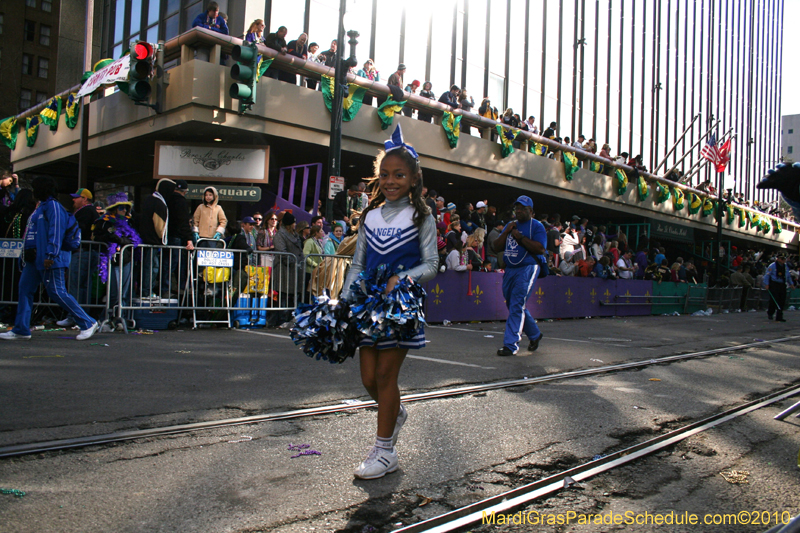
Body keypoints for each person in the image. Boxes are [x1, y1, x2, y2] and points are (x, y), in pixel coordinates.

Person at [339, 125, 438, 480]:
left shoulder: (422, 217)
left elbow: (432, 264)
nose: (391, 180)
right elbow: (359, 263)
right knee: (368, 377)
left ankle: (385, 451)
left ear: (413, 178)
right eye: (385, 175)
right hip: (369, 305)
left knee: (385, 374)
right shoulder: (370, 216)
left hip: (400, 305)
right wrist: (345, 297)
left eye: (399, 174)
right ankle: (393, 413)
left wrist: (403, 278)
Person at [0, 177, 98, 341]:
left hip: (48, 258)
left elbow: (56, 231)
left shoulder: (52, 206)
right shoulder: (43, 207)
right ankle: (21, 328)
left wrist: (51, 254)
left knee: (57, 292)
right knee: (25, 289)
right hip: (36, 258)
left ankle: (87, 322)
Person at [492, 195, 547, 356]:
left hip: (527, 267)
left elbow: (540, 249)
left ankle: (511, 345)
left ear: (531, 211)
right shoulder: (511, 225)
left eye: (522, 208)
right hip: (510, 269)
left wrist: (520, 237)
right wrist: (507, 231)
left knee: (516, 304)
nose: (519, 211)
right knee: (513, 304)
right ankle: (535, 334)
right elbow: (496, 247)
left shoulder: (537, 226)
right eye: (517, 208)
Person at [93, 192, 140, 322]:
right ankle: (105, 319)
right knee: (114, 293)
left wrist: (126, 241)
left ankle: (120, 319)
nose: (124, 210)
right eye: (121, 208)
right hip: (112, 260)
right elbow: (98, 236)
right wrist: (115, 238)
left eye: (126, 207)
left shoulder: (130, 222)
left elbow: (134, 238)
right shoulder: (104, 222)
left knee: (124, 293)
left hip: (126, 259)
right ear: (114, 209)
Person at [139, 178, 176, 297]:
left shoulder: (149, 199)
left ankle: (146, 290)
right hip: (153, 241)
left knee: (149, 266)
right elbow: (159, 225)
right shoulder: (159, 203)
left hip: (147, 239)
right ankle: (147, 291)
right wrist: (162, 239)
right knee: (152, 267)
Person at [65, 188, 99, 309]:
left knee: (76, 284)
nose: (73, 199)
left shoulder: (85, 211)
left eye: (76, 197)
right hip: (89, 252)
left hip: (82, 252)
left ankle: (74, 315)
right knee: (84, 285)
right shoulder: (91, 211)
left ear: (84, 199)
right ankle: (83, 315)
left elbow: (80, 228)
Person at [764, 253, 793, 322]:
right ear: (778, 259)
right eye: (782, 259)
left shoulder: (785, 266)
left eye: (784, 259)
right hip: (774, 284)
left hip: (782, 284)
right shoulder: (772, 266)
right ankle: (770, 313)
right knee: (774, 300)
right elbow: (767, 275)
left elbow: (788, 276)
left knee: (782, 300)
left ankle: (779, 316)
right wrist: (767, 284)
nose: (783, 260)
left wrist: (791, 284)